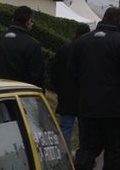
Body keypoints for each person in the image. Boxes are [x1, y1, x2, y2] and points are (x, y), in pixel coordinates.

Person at [68, 6, 120, 170]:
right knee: (115, 149)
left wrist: (80, 96)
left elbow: (71, 72)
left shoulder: (82, 42)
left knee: (88, 147)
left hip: (88, 106)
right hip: (115, 107)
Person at [0, 5, 45, 88]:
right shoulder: (33, 45)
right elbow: (36, 78)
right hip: (18, 96)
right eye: (32, 21)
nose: (32, 24)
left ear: (13, 20)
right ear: (28, 21)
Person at [51, 22, 91, 152]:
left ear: (75, 34)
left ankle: (66, 158)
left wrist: (59, 90)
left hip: (66, 96)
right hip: (85, 97)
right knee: (85, 131)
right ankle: (84, 158)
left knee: (66, 129)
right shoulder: (90, 52)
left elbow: (54, 73)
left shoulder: (63, 50)